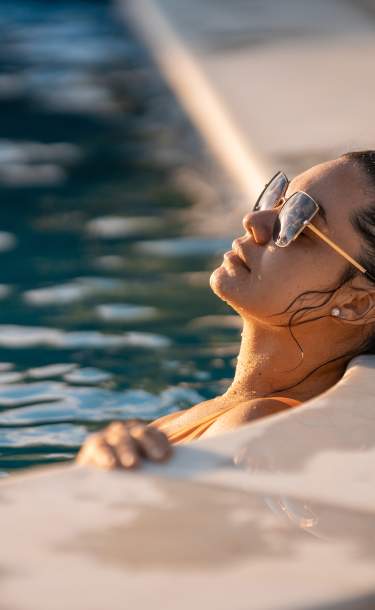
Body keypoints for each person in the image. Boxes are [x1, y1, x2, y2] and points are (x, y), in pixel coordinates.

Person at [77, 150, 375, 470]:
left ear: (357, 302)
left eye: (298, 220)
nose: (254, 221)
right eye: (277, 197)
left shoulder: (255, 426)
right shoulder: (225, 411)